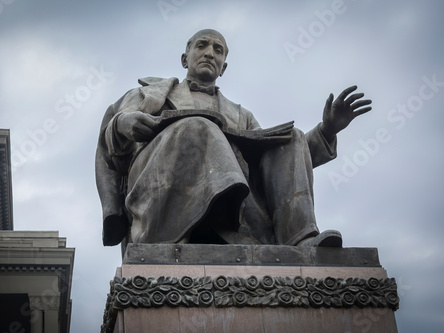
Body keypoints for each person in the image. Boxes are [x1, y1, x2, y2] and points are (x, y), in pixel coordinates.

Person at [96, 29, 372, 248]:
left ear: (223, 66)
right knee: (197, 126)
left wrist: (328, 130)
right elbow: (109, 144)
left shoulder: (241, 115)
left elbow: (278, 167)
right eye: (202, 45)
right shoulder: (149, 93)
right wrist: (123, 123)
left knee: (291, 139)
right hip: (161, 188)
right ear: (185, 58)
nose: (209, 53)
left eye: (218, 50)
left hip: (240, 207)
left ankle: (301, 241)